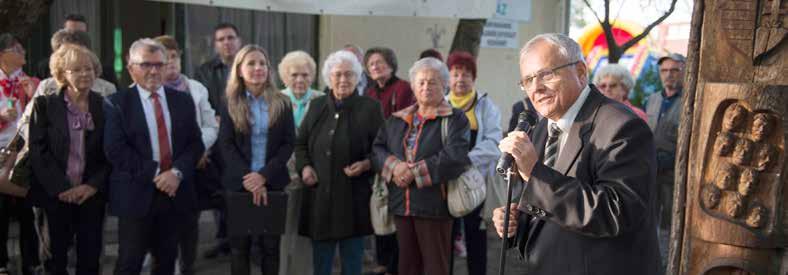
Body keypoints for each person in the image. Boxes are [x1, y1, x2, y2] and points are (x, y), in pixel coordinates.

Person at [493, 33, 660, 274]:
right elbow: (550, 202)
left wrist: (535, 174)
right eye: (528, 80)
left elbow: (616, 212)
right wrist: (517, 220)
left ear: (581, 72)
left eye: (546, 74)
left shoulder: (622, 126)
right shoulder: (542, 127)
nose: (536, 88)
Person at [105, 38, 204, 275]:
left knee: (167, 260)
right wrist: (160, 175)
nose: (153, 70)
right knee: (130, 261)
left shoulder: (182, 100)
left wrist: (177, 173)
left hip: (174, 195)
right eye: (146, 64)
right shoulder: (116, 103)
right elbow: (115, 150)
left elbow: (195, 144)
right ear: (131, 69)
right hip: (136, 194)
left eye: (159, 64)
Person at [372, 57, 471, 275]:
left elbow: (455, 157)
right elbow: (377, 150)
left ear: (444, 86)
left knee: (436, 266)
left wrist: (412, 173)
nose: (426, 87)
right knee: (407, 266)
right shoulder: (397, 119)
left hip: (435, 205)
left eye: (433, 82)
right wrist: (396, 168)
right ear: (413, 86)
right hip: (401, 204)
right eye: (421, 82)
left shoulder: (455, 118)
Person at [295, 50, 383, 275]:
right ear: (328, 77)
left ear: (358, 77)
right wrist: (305, 167)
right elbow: (301, 144)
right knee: (321, 260)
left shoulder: (370, 108)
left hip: (353, 197)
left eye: (349, 74)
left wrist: (366, 164)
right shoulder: (316, 106)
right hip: (319, 197)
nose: (343, 80)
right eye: (338, 74)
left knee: (352, 260)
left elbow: (382, 150)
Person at [28, 44, 109, 275]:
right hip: (54, 196)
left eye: (89, 69)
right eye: (77, 70)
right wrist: (61, 189)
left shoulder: (105, 106)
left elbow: (110, 153)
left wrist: (92, 185)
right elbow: (37, 150)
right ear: (62, 74)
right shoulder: (45, 105)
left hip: (90, 196)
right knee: (54, 261)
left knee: (90, 260)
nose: (85, 74)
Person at [217, 44, 293, 275]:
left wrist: (263, 176)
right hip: (239, 185)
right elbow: (226, 145)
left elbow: (288, 144)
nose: (258, 68)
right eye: (251, 63)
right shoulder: (230, 102)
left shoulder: (282, 102)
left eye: (262, 63)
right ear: (239, 70)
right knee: (240, 249)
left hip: (273, 182)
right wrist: (249, 178)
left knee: (271, 248)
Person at [154, 35, 220, 275]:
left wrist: (197, 151)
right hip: (159, 171)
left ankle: (187, 264)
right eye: (164, 58)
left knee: (188, 221)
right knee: (160, 223)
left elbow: (211, 124)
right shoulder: (148, 90)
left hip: (192, 168)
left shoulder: (196, 88)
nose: (170, 62)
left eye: (174, 57)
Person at [445, 51, 502, 275]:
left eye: (466, 74)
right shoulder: (442, 103)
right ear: (448, 78)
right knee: (446, 234)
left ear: (474, 78)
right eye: (456, 74)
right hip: (446, 178)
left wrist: (466, 160)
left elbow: (493, 141)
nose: (460, 79)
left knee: (475, 234)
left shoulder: (486, 106)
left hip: (475, 178)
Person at [194, 23, 243, 259]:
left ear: (239, 40)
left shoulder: (249, 66)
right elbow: (201, 103)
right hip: (217, 139)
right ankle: (224, 239)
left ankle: (241, 241)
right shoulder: (204, 71)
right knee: (220, 191)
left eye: (231, 38)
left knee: (239, 189)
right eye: (221, 39)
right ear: (215, 44)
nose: (227, 42)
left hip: (244, 138)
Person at [276, 50, 323, 275]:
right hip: (282, 175)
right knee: (282, 232)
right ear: (285, 76)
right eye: (294, 75)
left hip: (311, 175)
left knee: (306, 231)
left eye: (305, 75)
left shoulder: (320, 100)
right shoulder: (276, 100)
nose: (300, 80)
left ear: (312, 76)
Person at [0, 33, 40, 275]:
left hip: (26, 151)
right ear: (2, 54)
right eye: (16, 48)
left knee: (28, 208)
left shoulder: (32, 82)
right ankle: (1, 262)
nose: (23, 51)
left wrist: (33, 95)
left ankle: (31, 261)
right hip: (1, 151)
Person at [643, 52, 685, 264]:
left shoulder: (689, 101)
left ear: (684, 71)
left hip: (673, 176)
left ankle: (668, 264)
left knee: (670, 224)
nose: (669, 75)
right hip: (651, 173)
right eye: (665, 71)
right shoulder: (652, 100)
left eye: (675, 70)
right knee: (648, 221)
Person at [36, 16, 118, 86]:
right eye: (69, 32)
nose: (73, 37)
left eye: (79, 33)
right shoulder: (45, 70)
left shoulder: (105, 73)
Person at [364, 47, 415, 118]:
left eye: (379, 62)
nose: (375, 67)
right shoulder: (370, 93)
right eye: (371, 64)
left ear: (391, 66)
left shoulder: (403, 88)